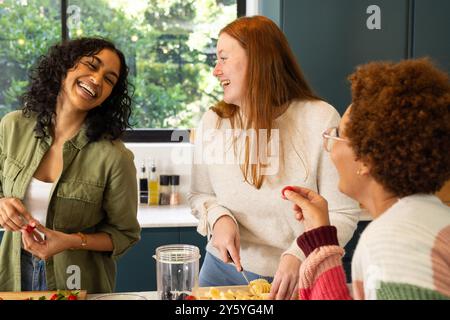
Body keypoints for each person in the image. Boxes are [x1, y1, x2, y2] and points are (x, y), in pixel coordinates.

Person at [188, 15, 360, 300]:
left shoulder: (319, 118)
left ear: (257, 60)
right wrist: (218, 217)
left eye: (223, 58)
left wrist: (298, 253)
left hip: (299, 274)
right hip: (221, 272)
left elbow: (342, 213)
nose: (216, 71)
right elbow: (200, 195)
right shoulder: (214, 121)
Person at [284, 58, 450, 299]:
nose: (328, 145)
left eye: (338, 134)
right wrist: (320, 235)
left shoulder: (394, 241)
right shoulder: (432, 219)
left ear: (365, 160)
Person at [0, 38, 141, 293]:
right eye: (91, 65)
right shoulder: (12, 127)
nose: (97, 80)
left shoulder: (114, 157)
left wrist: (70, 241)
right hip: (13, 272)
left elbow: (125, 234)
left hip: (77, 281)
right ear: (64, 66)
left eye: (109, 79)